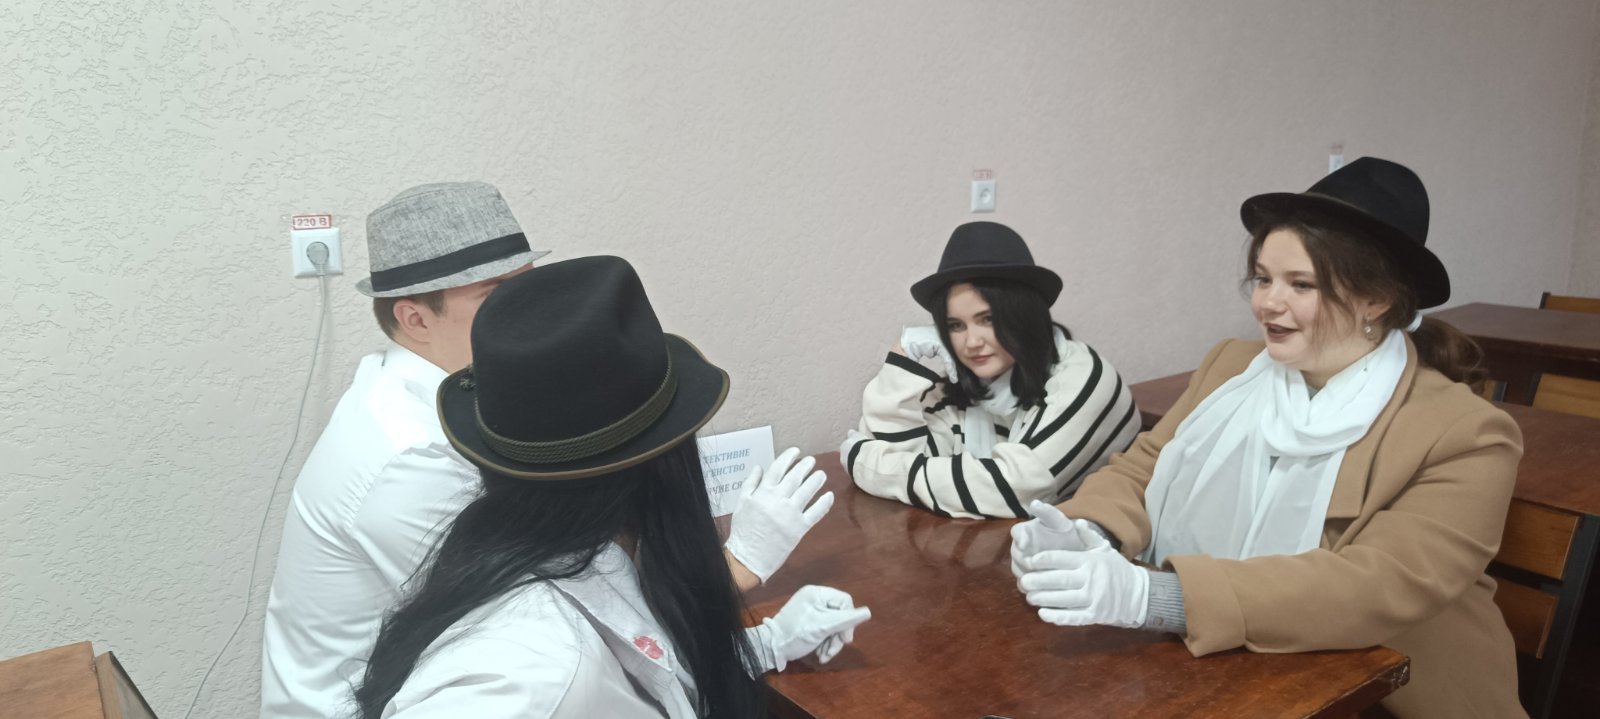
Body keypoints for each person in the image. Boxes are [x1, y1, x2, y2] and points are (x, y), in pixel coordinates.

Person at [262, 183, 829, 718]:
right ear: (414, 318)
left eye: (527, 286)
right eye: (495, 295)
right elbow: (561, 618)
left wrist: (763, 643)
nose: (525, 313)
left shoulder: (452, 401)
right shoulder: (412, 461)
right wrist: (740, 568)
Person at [1010, 158, 1525, 718]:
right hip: (1220, 665)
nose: (1267, 303)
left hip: (1381, 690)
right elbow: (1147, 466)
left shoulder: (1467, 433)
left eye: (1300, 284)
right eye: (1263, 278)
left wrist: (1157, 597)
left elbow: (1380, 584)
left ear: (1376, 299)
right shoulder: (1232, 367)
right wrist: (1090, 530)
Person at [351, 256, 872, 718]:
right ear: (666, 460)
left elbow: (641, 667)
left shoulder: (583, 553)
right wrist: (740, 563)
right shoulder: (531, 672)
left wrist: (768, 643)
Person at [841, 221, 1140, 519]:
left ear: (1023, 313)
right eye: (955, 325)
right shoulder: (967, 389)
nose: (972, 342)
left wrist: (866, 463)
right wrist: (903, 355)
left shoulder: (1086, 379)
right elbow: (903, 456)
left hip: (1113, 546)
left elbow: (1013, 489)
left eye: (988, 319)